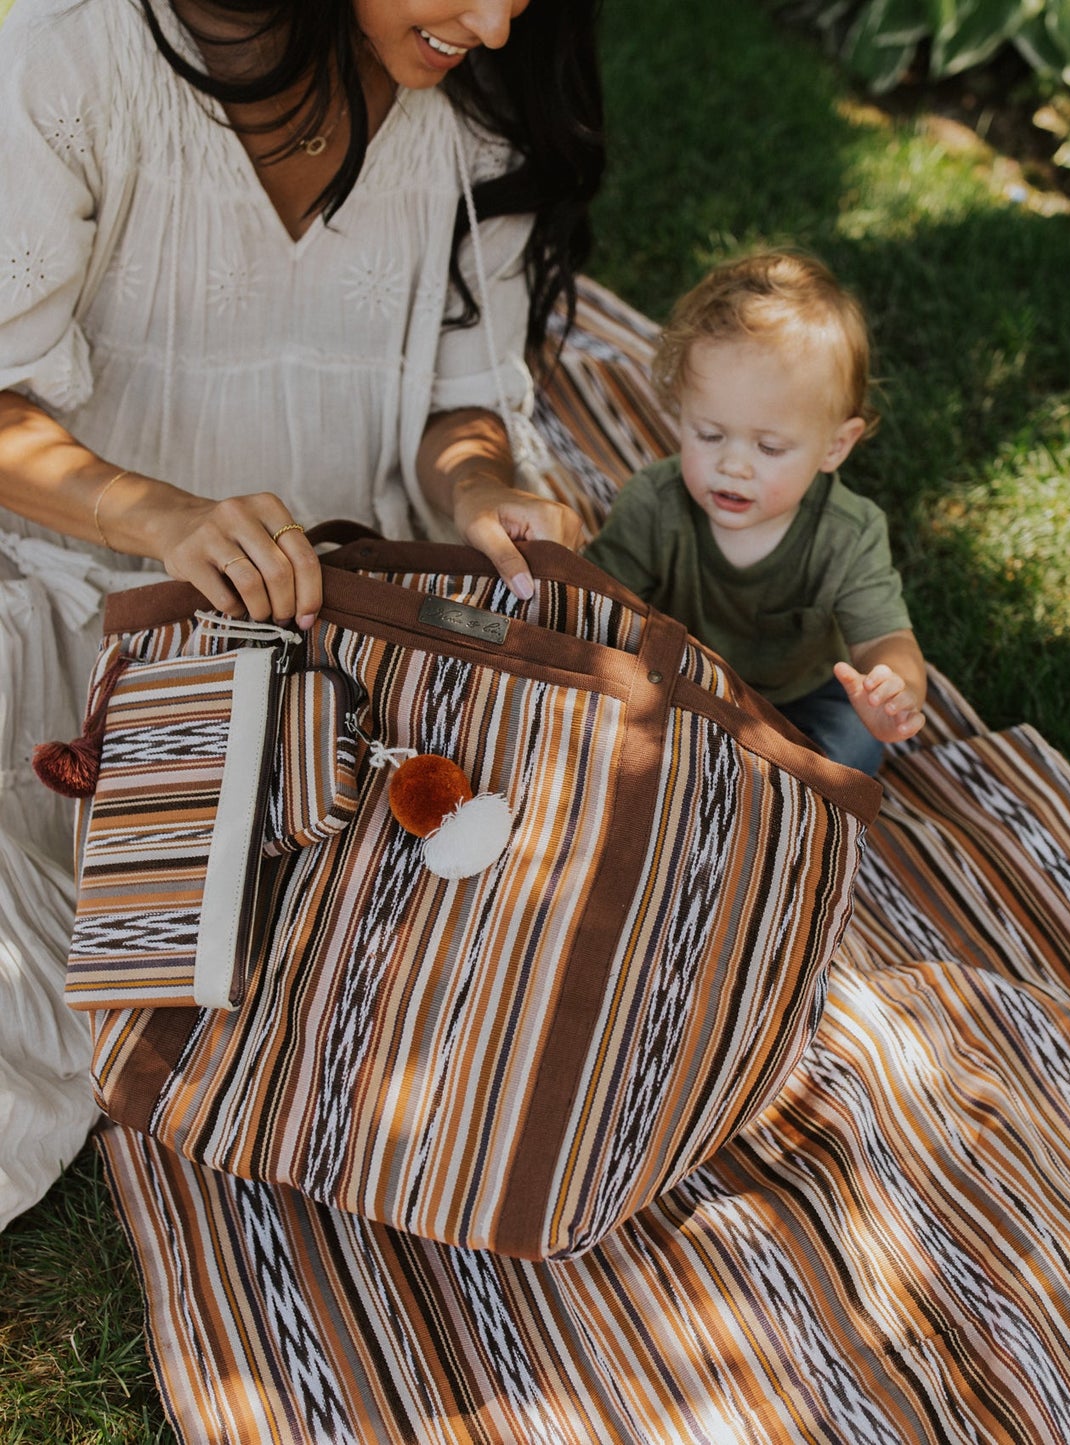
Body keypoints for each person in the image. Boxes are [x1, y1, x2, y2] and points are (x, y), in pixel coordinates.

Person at [0, 0, 600, 1228]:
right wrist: (161, 516)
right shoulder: (72, 60)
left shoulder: (476, 105)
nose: (491, 25)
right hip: (71, 596)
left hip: (321, 639)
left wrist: (485, 486)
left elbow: (461, 399)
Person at [584, 250, 927, 774]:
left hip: (803, 697)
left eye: (769, 448)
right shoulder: (655, 503)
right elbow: (598, 602)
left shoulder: (847, 533)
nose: (733, 466)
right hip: (680, 684)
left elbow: (884, 637)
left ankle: (763, 795)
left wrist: (891, 687)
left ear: (835, 446)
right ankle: (702, 777)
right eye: (710, 434)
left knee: (853, 745)